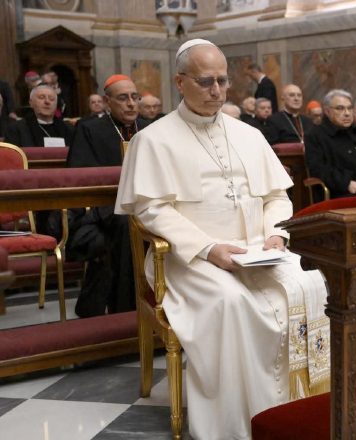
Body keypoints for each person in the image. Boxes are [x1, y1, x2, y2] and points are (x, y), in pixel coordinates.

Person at [115, 39, 329, 440]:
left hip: (258, 251)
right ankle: (240, 422)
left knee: (314, 284)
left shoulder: (248, 135)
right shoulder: (153, 140)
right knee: (232, 303)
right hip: (188, 258)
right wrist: (208, 248)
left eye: (223, 81)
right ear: (180, 82)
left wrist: (275, 234)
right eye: (205, 81)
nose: (216, 90)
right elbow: (151, 210)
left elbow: (276, 196)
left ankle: (302, 408)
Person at [66, 74, 150, 317]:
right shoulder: (90, 129)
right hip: (100, 210)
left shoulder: (148, 128)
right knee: (126, 225)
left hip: (145, 204)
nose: (131, 104)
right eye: (123, 98)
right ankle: (126, 313)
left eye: (135, 97)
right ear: (107, 102)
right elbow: (80, 178)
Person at [6, 84, 74, 147]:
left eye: (51, 99)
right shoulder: (16, 130)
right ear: (31, 103)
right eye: (41, 97)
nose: (47, 101)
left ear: (56, 104)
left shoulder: (69, 129)